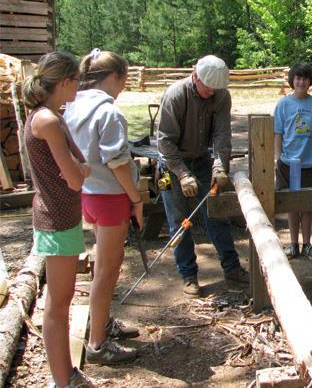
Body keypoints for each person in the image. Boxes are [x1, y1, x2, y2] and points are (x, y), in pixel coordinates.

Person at [23, 52, 95, 387]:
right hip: (57, 218)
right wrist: (79, 171)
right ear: (65, 82)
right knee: (58, 306)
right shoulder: (47, 121)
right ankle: (63, 379)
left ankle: (64, 374)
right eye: (77, 79)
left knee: (60, 302)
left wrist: (79, 169)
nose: (79, 85)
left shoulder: (52, 115)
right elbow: (77, 176)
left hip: (61, 216)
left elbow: (79, 163)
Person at [64, 49, 140, 365]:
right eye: (123, 80)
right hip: (109, 197)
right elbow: (118, 162)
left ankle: (103, 322)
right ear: (114, 77)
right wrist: (136, 198)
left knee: (106, 266)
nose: (123, 87)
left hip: (90, 195)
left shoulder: (74, 105)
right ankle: (97, 344)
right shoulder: (108, 111)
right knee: (107, 272)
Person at [157, 55, 249, 298]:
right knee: (178, 220)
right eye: (208, 89)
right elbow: (164, 142)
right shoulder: (175, 95)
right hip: (170, 164)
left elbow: (221, 136)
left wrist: (220, 167)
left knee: (216, 213)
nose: (212, 94)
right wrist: (182, 174)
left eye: (215, 90)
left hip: (201, 159)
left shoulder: (220, 96)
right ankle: (188, 275)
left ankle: (231, 267)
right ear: (195, 76)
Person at [274, 63, 312, 263]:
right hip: (289, 163)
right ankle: (293, 244)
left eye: (304, 78)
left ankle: (307, 244)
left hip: (309, 162)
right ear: (292, 81)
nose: (301, 82)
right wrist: (278, 156)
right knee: (292, 204)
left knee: (308, 205)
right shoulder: (283, 104)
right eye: (297, 78)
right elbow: (278, 132)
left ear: (310, 81)